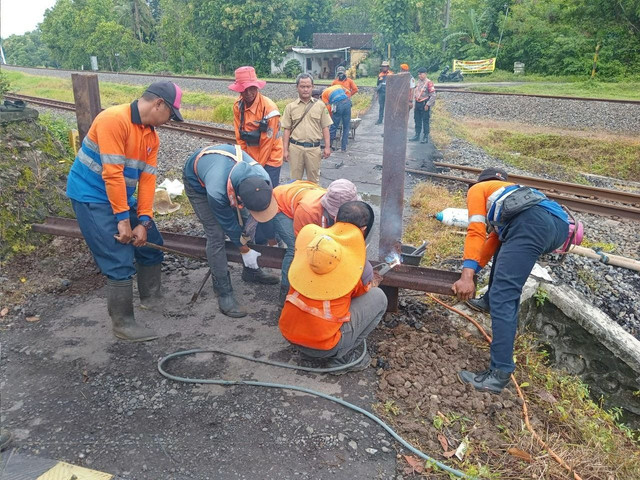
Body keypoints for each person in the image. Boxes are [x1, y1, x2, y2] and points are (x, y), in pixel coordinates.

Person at [66, 81, 183, 342]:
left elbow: (148, 180)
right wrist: (123, 220)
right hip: (91, 196)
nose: (170, 120)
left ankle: (151, 299)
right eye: (170, 115)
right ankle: (123, 324)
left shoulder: (151, 136)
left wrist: (144, 220)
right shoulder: (113, 120)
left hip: (118, 196)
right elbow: (112, 173)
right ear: (158, 104)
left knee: (151, 242)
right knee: (118, 256)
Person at [452, 168, 570, 393]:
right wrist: (473, 269)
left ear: (480, 182)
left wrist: (466, 276)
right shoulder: (512, 194)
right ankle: (488, 301)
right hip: (559, 227)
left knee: (504, 295)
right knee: (505, 245)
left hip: (530, 224)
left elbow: (476, 231)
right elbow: (492, 244)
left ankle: (499, 373)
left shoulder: (478, 189)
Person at [279, 201, 387, 374]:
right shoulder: (360, 266)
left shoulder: (311, 246)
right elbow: (360, 294)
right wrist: (371, 283)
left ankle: (309, 352)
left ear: (335, 218)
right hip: (324, 346)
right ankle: (341, 358)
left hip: (290, 334)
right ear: (364, 229)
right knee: (379, 297)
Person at [183, 144, 280, 318]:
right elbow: (228, 224)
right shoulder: (217, 190)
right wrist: (244, 249)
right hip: (198, 183)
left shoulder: (263, 179)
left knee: (246, 226)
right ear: (239, 198)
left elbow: (259, 218)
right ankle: (223, 292)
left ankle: (251, 272)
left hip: (227, 173)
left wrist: (271, 239)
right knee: (216, 235)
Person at [272, 178, 360, 301]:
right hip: (280, 204)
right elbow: (302, 246)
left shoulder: (340, 197)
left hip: (300, 194)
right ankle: (286, 294)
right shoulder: (308, 211)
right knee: (294, 250)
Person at [230, 66, 283, 189]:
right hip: (251, 156)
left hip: (270, 158)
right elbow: (239, 138)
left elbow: (267, 144)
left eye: (252, 88)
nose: (248, 93)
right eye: (244, 90)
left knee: (268, 191)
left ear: (257, 87)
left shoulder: (270, 110)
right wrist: (244, 161)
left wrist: (256, 168)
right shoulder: (238, 106)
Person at [282, 73, 332, 184]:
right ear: (297, 87)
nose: (305, 89)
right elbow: (286, 130)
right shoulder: (290, 107)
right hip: (295, 148)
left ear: (312, 87)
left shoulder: (320, 106)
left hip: (314, 149)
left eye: (308, 86)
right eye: (302, 86)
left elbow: (325, 127)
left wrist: (327, 147)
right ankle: (295, 201)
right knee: (294, 182)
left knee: (314, 182)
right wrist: (285, 150)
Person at [409, 67, 436, 144]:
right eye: (418, 74)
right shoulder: (418, 82)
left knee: (425, 120)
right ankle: (417, 135)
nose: (419, 76)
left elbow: (433, 95)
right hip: (418, 103)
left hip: (425, 103)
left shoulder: (429, 83)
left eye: (421, 74)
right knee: (417, 119)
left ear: (425, 74)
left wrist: (428, 104)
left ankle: (425, 136)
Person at [321, 85, 352, 152]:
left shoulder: (323, 94)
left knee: (334, 126)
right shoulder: (338, 86)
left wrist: (329, 118)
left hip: (338, 104)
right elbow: (348, 92)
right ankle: (343, 148)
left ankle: (330, 147)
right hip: (347, 102)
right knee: (346, 126)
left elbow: (328, 108)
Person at [375, 61, 393, 125]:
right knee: (381, 107)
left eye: (385, 66)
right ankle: (380, 120)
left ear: (388, 67)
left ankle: (389, 121)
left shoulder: (391, 74)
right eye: (383, 66)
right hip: (381, 93)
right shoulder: (380, 75)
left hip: (389, 93)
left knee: (389, 107)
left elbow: (394, 84)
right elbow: (378, 84)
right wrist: (377, 94)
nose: (384, 68)